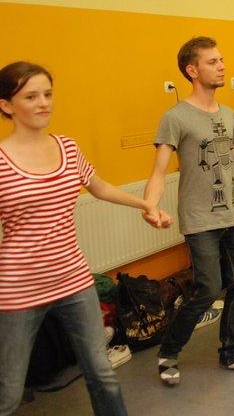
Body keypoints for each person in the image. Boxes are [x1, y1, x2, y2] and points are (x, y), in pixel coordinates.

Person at [0, 61, 170, 415]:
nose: (43, 103)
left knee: (102, 372)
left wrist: (145, 205)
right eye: (31, 96)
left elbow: (99, 186)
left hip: (73, 280)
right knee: (9, 392)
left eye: (47, 94)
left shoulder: (66, 147)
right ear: (6, 105)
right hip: (19, 289)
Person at [145, 36, 234, 386]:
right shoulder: (175, 117)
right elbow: (159, 171)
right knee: (208, 288)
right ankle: (169, 351)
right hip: (199, 219)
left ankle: (231, 354)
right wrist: (149, 205)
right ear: (192, 70)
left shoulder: (227, 115)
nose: (222, 66)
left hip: (233, 216)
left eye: (221, 60)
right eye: (213, 62)